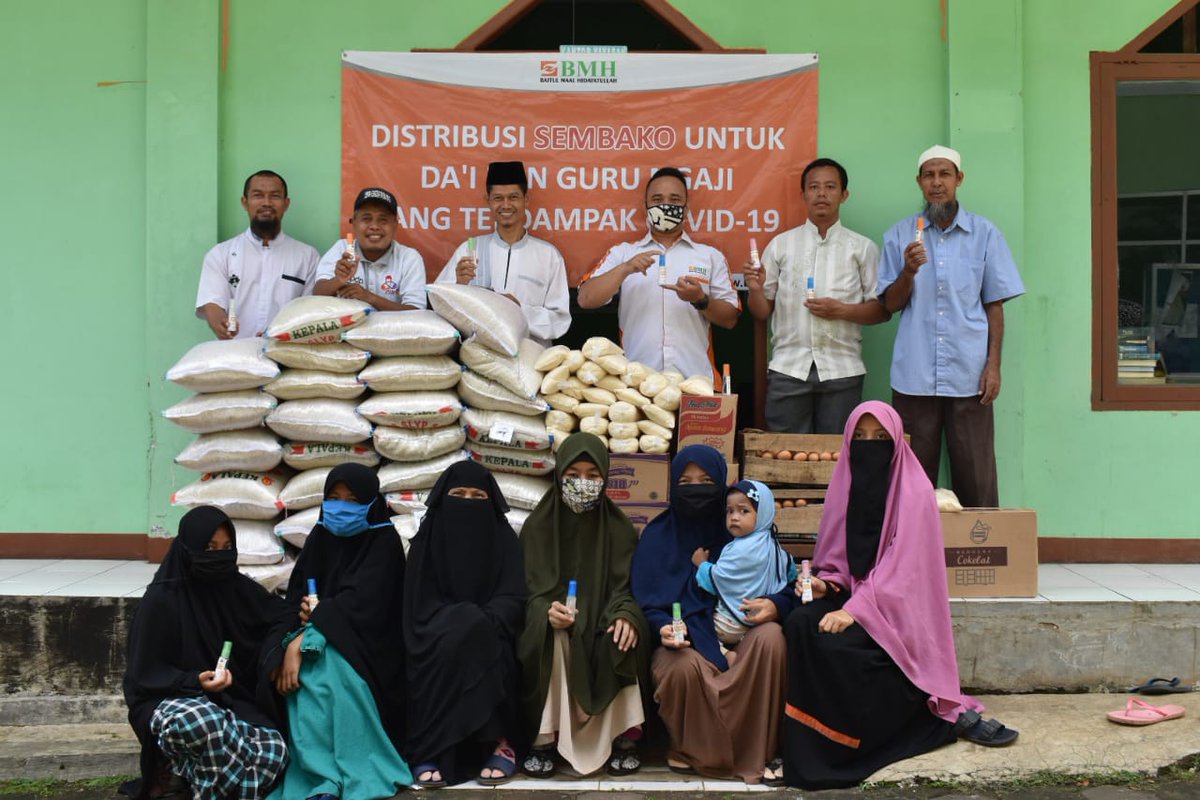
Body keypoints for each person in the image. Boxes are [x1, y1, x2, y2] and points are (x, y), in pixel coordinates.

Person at [765, 401, 1017, 790]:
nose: (870, 445)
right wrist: (824, 585)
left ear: (897, 441)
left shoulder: (914, 492)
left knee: (838, 648)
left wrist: (856, 611)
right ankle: (810, 748)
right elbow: (837, 564)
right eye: (861, 438)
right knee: (799, 622)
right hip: (858, 597)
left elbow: (906, 571)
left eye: (881, 438)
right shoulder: (844, 485)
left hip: (898, 612)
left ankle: (896, 727)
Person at [631, 446, 788, 785]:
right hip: (685, 638)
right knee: (679, 665)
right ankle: (693, 749)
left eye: (706, 481)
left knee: (772, 638)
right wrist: (662, 629)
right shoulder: (659, 536)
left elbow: (783, 578)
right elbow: (647, 602)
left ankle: (757, 748)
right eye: (685, 482)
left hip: (740, 634)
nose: (696, 489)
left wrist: (777, 604)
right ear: (673, 486)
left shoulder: (746, 536)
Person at [878, 146, 1025, 507]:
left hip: (969, 373)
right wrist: (909, 271)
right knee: (912, 474)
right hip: (915, 374)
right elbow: (889, 304)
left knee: (976, 469)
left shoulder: (984, 234)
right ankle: (912, 553)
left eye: (945, 174)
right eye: (929, 175)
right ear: (919, 182)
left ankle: (984, 552)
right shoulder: (900, 235)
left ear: (959, 179)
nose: (937, 182)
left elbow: (994, 305)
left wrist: (993, 366)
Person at [122, 506, 291, 800]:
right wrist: (195, 682)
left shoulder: (237, 589)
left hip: (230, 703)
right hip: (171, 700)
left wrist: (283, 652)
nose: (218, 556)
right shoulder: (162, 598)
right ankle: (200, 777)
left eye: (226, 548)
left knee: (275, 751)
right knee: (202, 723)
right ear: (188, 548)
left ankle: (193, 780)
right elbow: (144, 675)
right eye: (209, 548)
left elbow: (280, 615)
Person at [265, 464, 411, 800]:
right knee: (301, 675)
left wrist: (303, 641)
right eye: (333, 498)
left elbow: (365, 607)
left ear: (371, 504)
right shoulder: (319, 538)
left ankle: (337, 775)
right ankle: (321, 775)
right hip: (324, 637)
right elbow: (295, 599)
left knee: (325, 674)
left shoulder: (384, 542)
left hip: (371, 649)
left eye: (353, 499)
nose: (341, 507)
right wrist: (290, 640)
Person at [517, 432, 650, 778]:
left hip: (601, 620)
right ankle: (544, 741)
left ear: (605, 479)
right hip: (559, 623)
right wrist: (547, 611)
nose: (583, 483)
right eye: (573, 475)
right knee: (553, 638)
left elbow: (626, 590)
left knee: (623, 634)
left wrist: (624, 615)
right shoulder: (537, 527)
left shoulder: (620, 528)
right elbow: (527, 594)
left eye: (593, 476)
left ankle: (624, 739)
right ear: (559, 475)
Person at [402, 461, 527, 788]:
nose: (467, 502)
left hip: (490, 630)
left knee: (486, 640)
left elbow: (514, 597)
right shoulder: (425, 543)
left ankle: (500, 742)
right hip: (435, 634)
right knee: (448, 645)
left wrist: (479, 620)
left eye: (477, 496)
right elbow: (416, 604)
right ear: (443, 499)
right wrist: (459, 621)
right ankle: (433, 747)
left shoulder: (505, 541)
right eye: (458, 494)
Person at [746, 158, 887, 433]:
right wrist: (754, 288)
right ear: (803, 195)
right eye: (814, 187)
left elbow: (880, 311)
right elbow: (761, 312)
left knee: (835, 460)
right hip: (788, 369)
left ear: (844, 195)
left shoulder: (862, 248)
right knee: (785, 458)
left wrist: (842, 310)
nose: (822, 194)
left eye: (830, 187)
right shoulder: (780, 245)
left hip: (842, 371)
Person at [577, 167, 740, 382]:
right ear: (645, 206)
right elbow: (585, 299)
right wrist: (625, 269)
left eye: (675, 199)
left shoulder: (709, 256)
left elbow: (730, 319)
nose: (666, 205)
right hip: (637, 385)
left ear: (686, 206)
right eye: (657, 199)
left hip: (696, 382)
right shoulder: (624, 253)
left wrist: (700, 299)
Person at [436, 161, 571, 345]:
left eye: (513, 197)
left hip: (530, 360)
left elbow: (559, 321)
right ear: (488, 201)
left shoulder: (548, 256)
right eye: (498, 198)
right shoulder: (469, 249)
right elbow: (440, 304)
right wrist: (459, 286)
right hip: (479, 358)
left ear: (526, 200)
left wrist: (518, 310)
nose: (506, 205)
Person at [196, 170, 320, 339]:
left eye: (275, 196)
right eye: (258, 195)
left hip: (285, 355)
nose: (266, 203)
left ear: (286, 203)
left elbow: (309, 313)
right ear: (245, 202)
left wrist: (280, 334)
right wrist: (220, 323)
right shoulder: (221, 254)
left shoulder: (307, 256)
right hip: (235, 354)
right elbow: (212, 302)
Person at [692, 480, 796, 648]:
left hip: (728, 625)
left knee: (697, 624)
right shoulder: (775, 548)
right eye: (729, 511)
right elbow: (789, 573)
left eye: (744, 511)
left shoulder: (741, 548)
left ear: (762, 513)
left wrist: (702, 564)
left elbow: (715, 580)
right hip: (761, 619)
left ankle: (722, 653)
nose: (734, 517)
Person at [313, 187, 427, 311]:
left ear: (395, 225)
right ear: (354, 223)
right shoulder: (342, 248)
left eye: (383, 220)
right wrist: (338, 280)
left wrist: (369, 297)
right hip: (349, 330)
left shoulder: (409, 257)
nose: (374, 226)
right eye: (366, 219)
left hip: (391, 330)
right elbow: (317, 295)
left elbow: (417, 311)